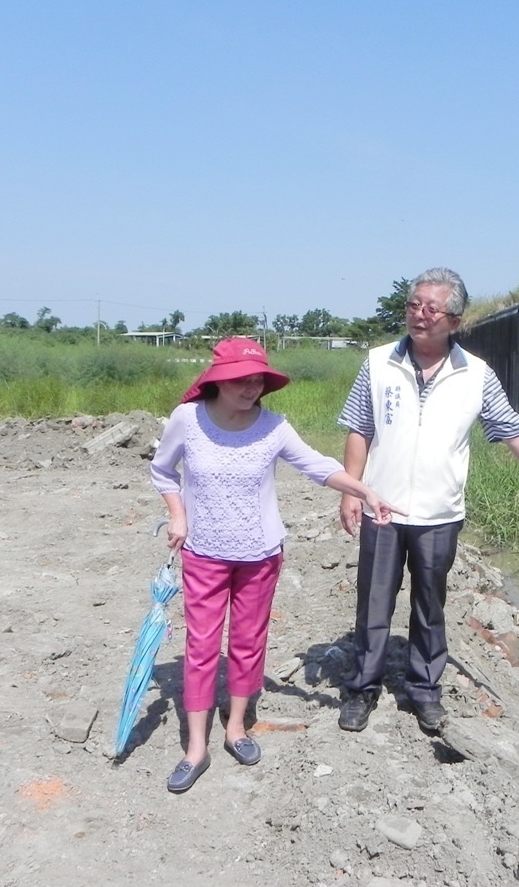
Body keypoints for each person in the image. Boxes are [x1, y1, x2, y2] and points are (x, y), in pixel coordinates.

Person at [336, 267, 519, 734]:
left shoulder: (476, 375)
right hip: (383, 508)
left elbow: (514, 431)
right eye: (413, 305)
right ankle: (362, 689)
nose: (419, 315)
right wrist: (352, 490)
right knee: (374, 603)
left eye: (431, 308)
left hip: (439, 514)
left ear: (454, 320)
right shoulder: (378, 363)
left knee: (430, 605)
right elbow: (361, 427)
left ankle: (423, 690)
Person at [149, 337, 400, 794]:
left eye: (258, 380)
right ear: (218, 381)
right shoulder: (188, 419)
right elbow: (163, 470)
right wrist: (178, 513)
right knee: (202, 647)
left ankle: (237, 728)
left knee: (247, 643)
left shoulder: (273, 427)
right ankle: (195, 748)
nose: (251, 388)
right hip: (203, 552)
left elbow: (318, 466)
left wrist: (365, 491)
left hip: (260, 555)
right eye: (241, 380)